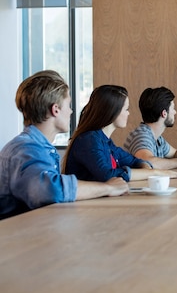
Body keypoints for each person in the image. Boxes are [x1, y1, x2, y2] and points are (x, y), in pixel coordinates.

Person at [0, 71, 128, 219]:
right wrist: (107, 188)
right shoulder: (26, 149)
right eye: (69, 105)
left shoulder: (37, 146)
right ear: (55, 110)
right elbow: (50, 190)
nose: (72, 111)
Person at [64, 85, 177, 182]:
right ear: (113, 111)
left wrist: (146, 169)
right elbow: (108, 175)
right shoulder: (89, 140)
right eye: (126, 109)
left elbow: (135, 161)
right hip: (87, 208)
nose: (128, 114)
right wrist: (154, 172)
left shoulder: (107, 142)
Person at [124, 87, 177, 170]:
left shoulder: (157, 138)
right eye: (173, 108)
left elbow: (175, 153)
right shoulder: (141, 135)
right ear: (164, 113)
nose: (175, 112)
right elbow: (147, 162)